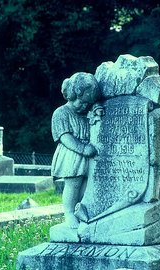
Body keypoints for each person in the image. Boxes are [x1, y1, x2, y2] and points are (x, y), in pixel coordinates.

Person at [51, 72, 100, 229]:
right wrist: (82, 148)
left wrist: (96, 114)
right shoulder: (61, 113)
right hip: (72, 155)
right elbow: (65, 137)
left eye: (88, 104)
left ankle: (80, 210)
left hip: (87, 155)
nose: (85, 106)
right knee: (73, 185)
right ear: (72, 96)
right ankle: (69, 213)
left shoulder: (86, 113)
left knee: (86, 185)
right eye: (82, 103)